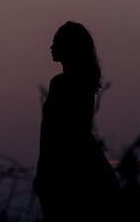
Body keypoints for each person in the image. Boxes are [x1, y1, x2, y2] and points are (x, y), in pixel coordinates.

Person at [34, 21, 120, 220]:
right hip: (85, 163)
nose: (51, 46)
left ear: (68, 46)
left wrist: (44, 169)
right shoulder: (84, 84)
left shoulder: (60, 84)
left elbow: (50, 132)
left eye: (56, 41)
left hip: (65, 168)